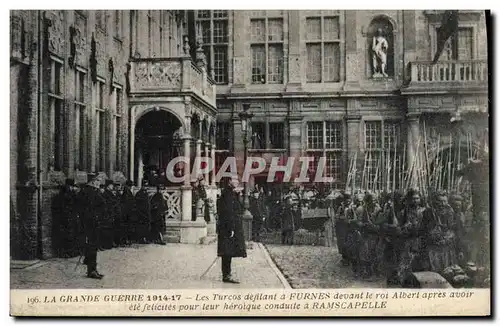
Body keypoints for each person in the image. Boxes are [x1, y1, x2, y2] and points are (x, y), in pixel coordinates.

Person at [216, 178, 247, 283]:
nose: (237, 182)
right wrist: (231, 228)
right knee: (227, 251)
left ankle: (227, 274)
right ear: (229, 181)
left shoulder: (231, 193)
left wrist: (239, 196)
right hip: (227, 228)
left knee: (228, 251)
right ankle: (226, 275)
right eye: (235, 180)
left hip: (228, 227)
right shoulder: (228, 194)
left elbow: (240, 208)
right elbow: (228, 213)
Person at [79, 173, 106, 279]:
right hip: (91, 224)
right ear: (93, 182)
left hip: (90, 223)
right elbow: (101, 204)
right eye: (98, 181)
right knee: (92, 246)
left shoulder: (86, 191)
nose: (99, 183)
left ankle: (92, 269)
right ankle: (92, 270)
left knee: (92, 246)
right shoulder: (91, 192)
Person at [120, 180, 135, 246]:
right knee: (125, 227)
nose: (131, 187)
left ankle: (125, 240)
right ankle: (124, 240)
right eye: (130, 186)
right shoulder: (126, 192)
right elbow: (126, 202)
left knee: (126, 227)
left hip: (126, 212)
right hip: (127, 212)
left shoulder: (126, 191)